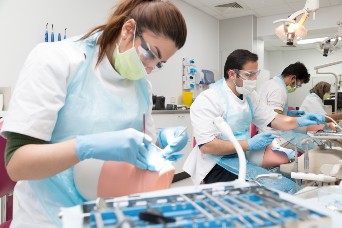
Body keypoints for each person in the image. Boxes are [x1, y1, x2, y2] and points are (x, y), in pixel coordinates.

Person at [1, 0, 188, 227]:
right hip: (47, 218)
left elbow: (143, 148)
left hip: (108, 217)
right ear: (128, 29)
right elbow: (17, 164)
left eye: (159, 64)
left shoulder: (142, 86)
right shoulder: (57, 59)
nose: (149, 68)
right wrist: (85, 147)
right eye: (150, 54)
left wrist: (161, 143)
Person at [183, 49, 325, 187]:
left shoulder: (250, 96)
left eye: (255, 74)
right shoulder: (209, 99)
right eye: (249, 75)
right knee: (274, 191)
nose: (254, 79)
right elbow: (208, 146)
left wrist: (298, 121)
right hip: (215, 163)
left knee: (286, 186)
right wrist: (249, 144)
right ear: (232, 74)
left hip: (240, 157)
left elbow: (273, 119)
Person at [257, 62, 311, 153]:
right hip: (276, 136)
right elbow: (275, 120)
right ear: (293, 77)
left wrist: (289, 113)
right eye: (298, 84)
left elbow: (269, 112)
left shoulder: (270, 83)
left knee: (307, 139)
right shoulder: (279, 89)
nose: (296, 87)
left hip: (267, 131)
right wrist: (298, 121)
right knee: (311, 145)